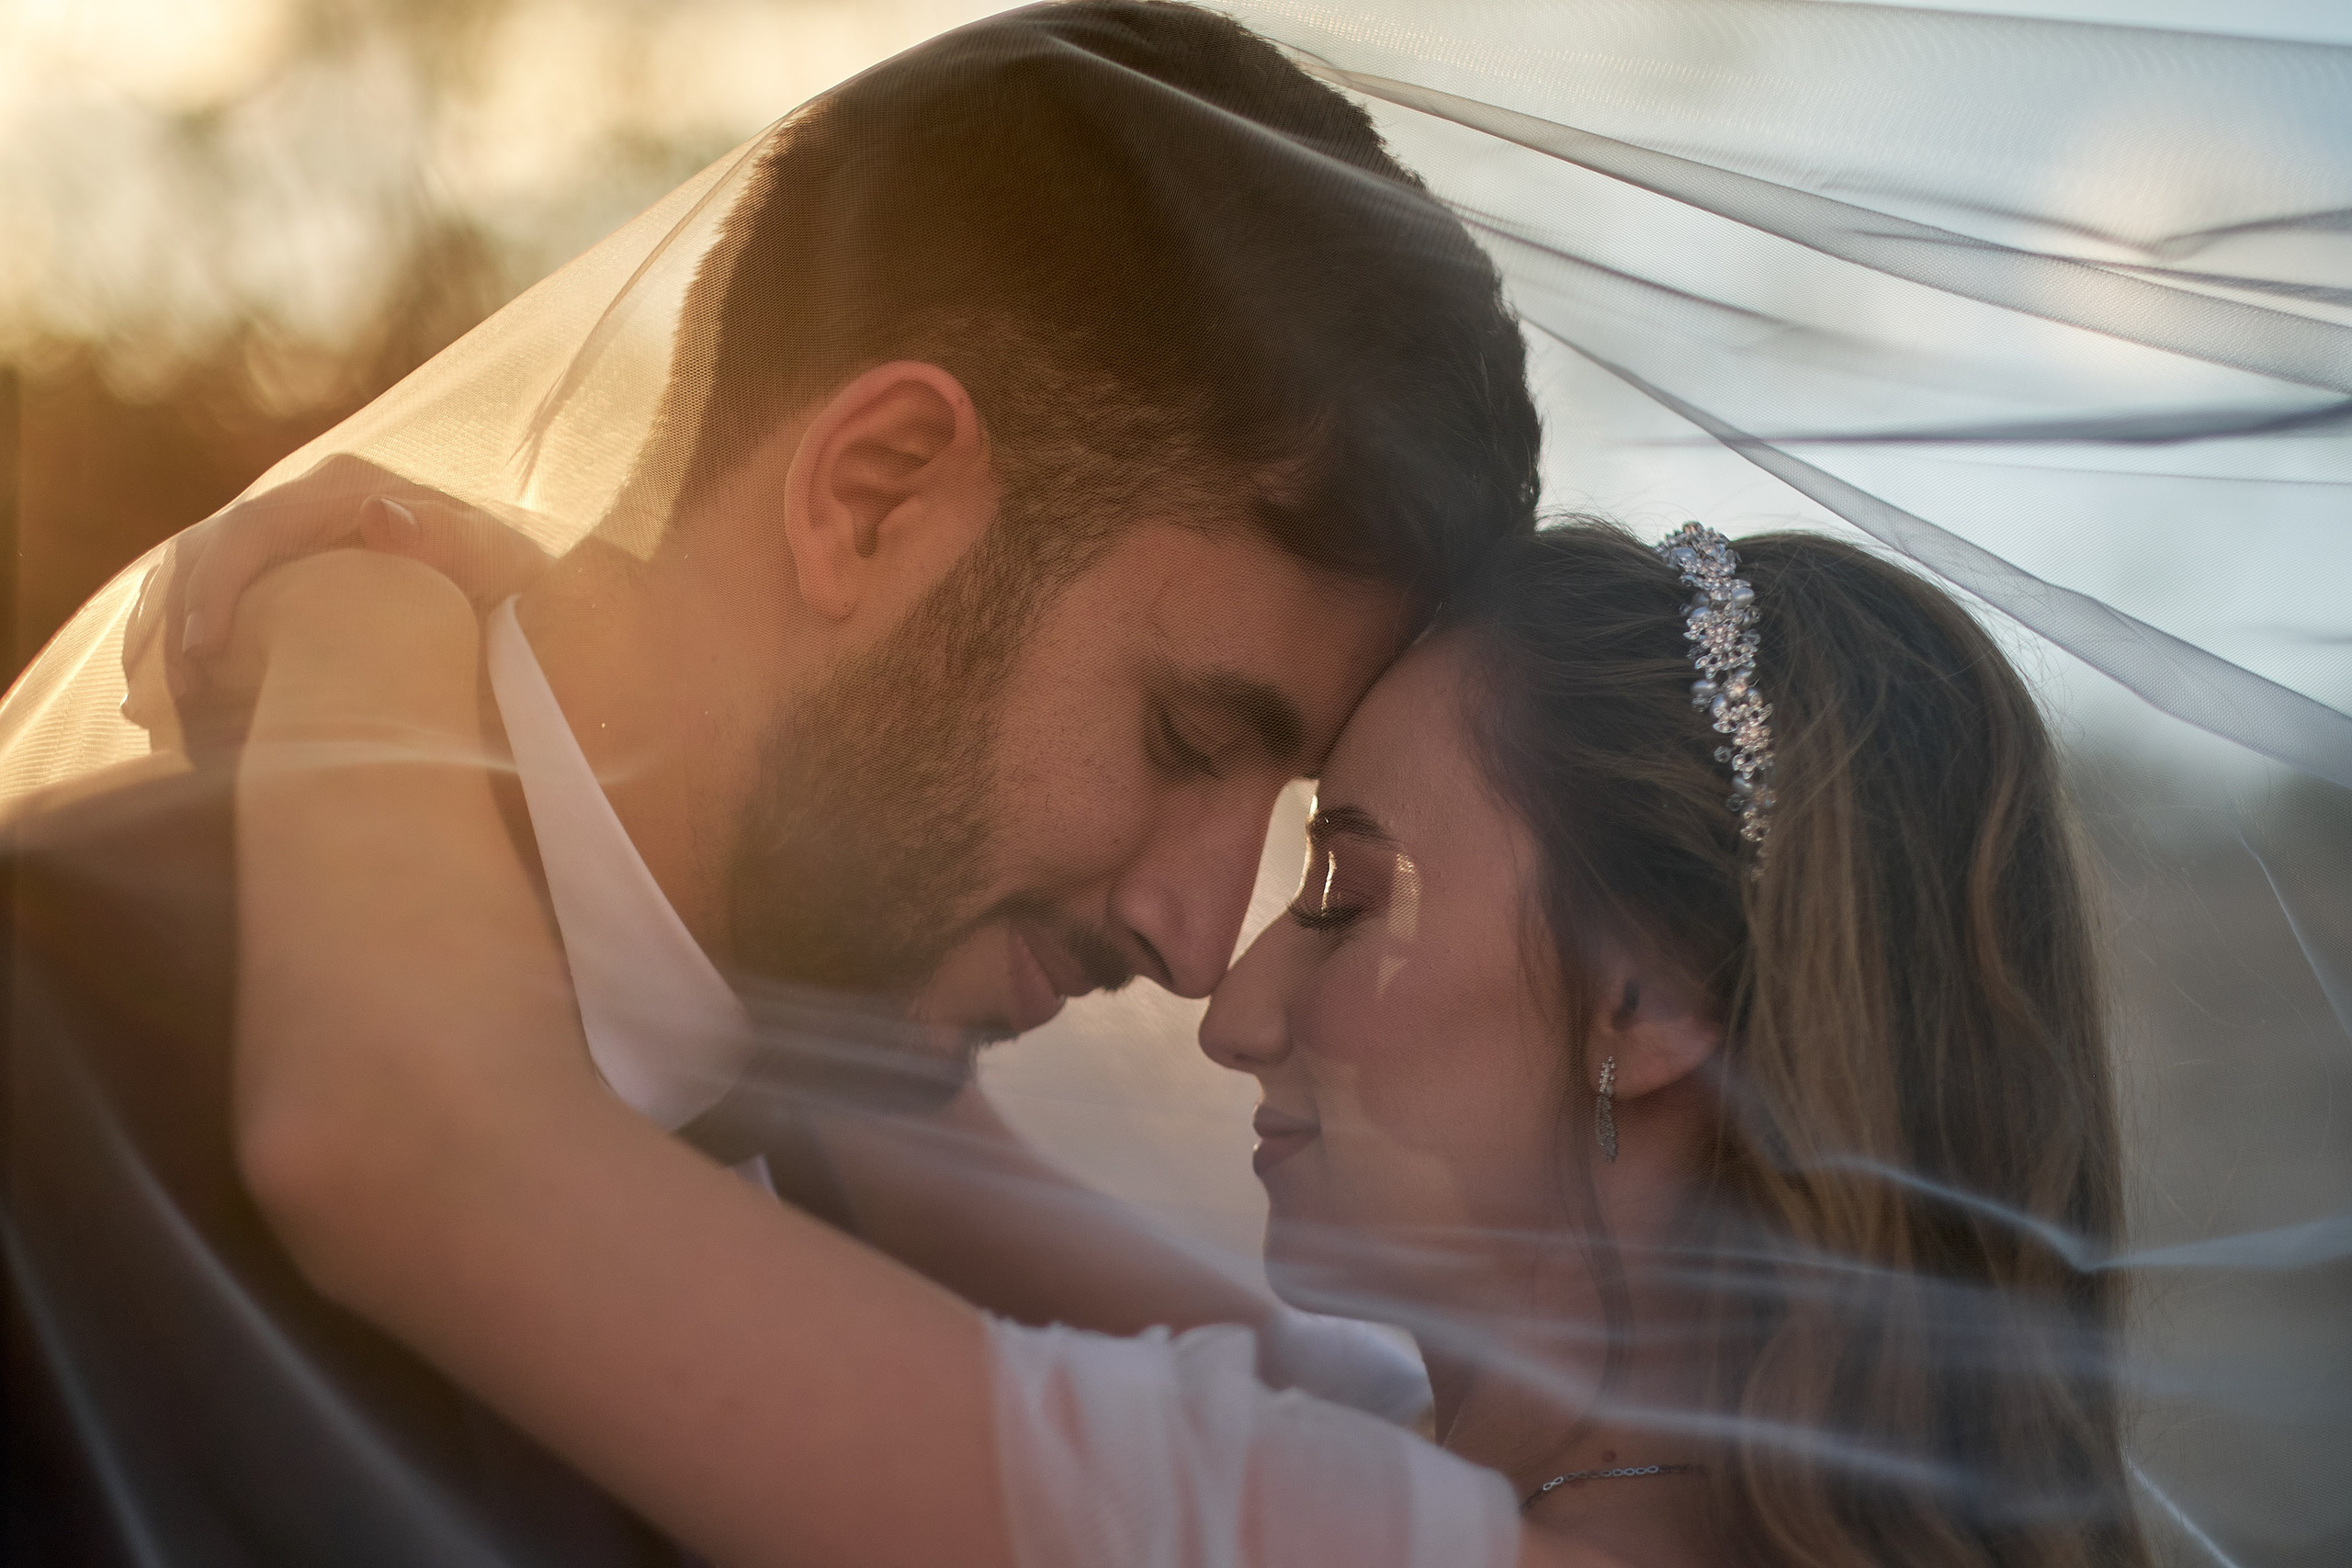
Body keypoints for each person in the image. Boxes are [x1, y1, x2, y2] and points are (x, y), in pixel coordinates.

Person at [0, 6, 1541, 1562]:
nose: (1200, 945)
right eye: (1188, 742)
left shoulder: (921, 1238)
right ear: (870, 502)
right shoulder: (54, 1005)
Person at [220, 515, 2144, 1568]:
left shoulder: (1335, 1525)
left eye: (1342, 887)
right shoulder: (1451, 1450)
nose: (1231, 1010)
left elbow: (405, 1139)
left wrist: (356, 608)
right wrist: (638, 670)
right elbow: (898, 1099)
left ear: (1641, 1003)